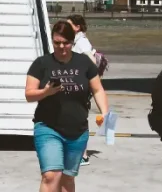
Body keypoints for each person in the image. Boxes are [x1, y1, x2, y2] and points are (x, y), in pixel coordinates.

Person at [25, 21, 109, 192]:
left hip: (77, 130)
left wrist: (106, 113)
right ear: (52, 41)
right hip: (48, 127)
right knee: (51, 175)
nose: (62, 47)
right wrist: (46, 92)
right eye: (57, 43)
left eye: (66, 42)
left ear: (72, 42)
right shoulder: (41, 64)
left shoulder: (84, 63)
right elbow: (29, 94)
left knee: (67, 178)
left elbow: (98, 90)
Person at [67, 15, 97, 166]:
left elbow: (92, 61)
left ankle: (83, 156)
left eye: (69, 25)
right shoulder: (77, 41)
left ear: (77, 27)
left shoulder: (82, 42)